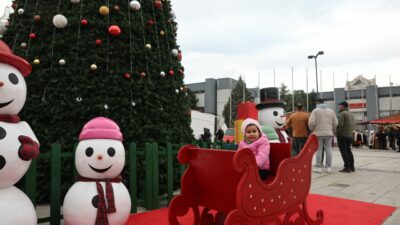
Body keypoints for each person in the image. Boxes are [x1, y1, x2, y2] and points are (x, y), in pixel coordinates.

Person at [308, 99, 338, 173]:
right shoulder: (331, 111)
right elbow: (336, 123)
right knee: (329, 149)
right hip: (329, 133)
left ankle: (318, 167)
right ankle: (328, 167)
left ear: (317, 103)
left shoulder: (315, 111)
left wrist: (312, 129)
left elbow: (311, 122)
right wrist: (333, 129)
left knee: (319, 150)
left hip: (318, 134)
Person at [336, 101, 356, 173]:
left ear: (343, 106)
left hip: (342, 135)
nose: (339, 106)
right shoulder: (351, 114)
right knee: (349, 150)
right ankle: (352, 167)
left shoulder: (342, 114)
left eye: (340, 105)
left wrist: (337, 133)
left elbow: (340, 125)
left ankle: (347, 167)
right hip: (349, 135)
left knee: (344, 151)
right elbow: (354, 124)